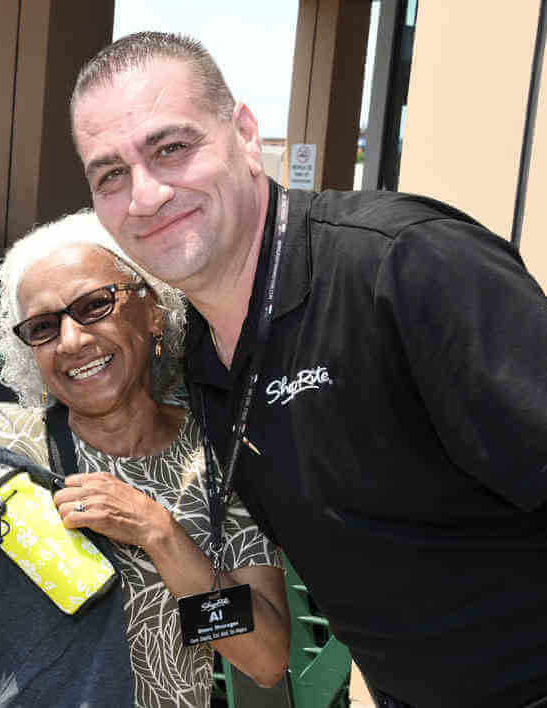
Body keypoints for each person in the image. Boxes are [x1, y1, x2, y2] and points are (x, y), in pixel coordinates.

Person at [69, 32, 547, 708]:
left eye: (170, 148)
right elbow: (263, 659)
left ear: (244, 133)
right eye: (110, 175)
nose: (145, 196)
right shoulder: (199, 359)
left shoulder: (404, 265)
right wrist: (163, 540)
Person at [0, 211, 290, 707]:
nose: (72, 340)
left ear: (153, 310)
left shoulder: (218, 461)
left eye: (95, 305)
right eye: (43, 327)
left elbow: (264, 660)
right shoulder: (1, 452)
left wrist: (160, 534)